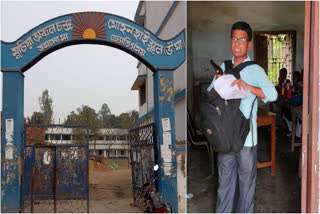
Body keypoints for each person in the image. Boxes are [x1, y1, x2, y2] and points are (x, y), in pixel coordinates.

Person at [207, 21, 277, 213]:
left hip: (246, 140)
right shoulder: (224, 65)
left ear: (249, 44)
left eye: (242, 39)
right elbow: (210, 93)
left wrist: (248, 86)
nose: (237, 43)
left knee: (246, 190)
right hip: (225, 138)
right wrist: (218, 81)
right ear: (231, 41)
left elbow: (272, 94)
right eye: (234, 38)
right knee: (225, 188)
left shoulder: (255, 70)